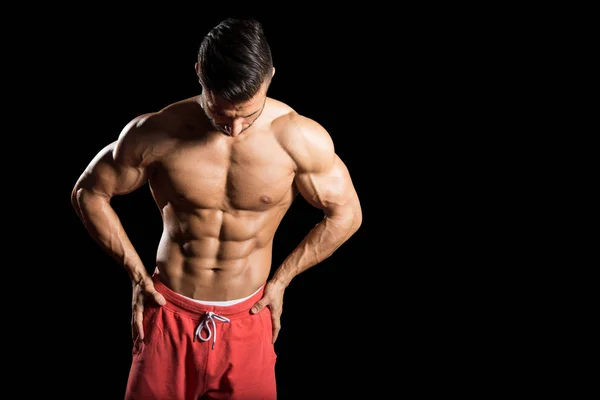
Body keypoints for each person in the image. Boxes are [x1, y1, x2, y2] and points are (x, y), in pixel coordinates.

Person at [71, 17, 362, 400]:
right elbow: (88, 192)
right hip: (167, 315)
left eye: (248, 115)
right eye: (221, 113)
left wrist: (281, 280)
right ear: (199, 75)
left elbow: (347, 214)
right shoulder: (156, 132)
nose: (236, 129)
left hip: (248, 318)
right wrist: (136, 275)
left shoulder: (299, 139)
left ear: (269, 78)